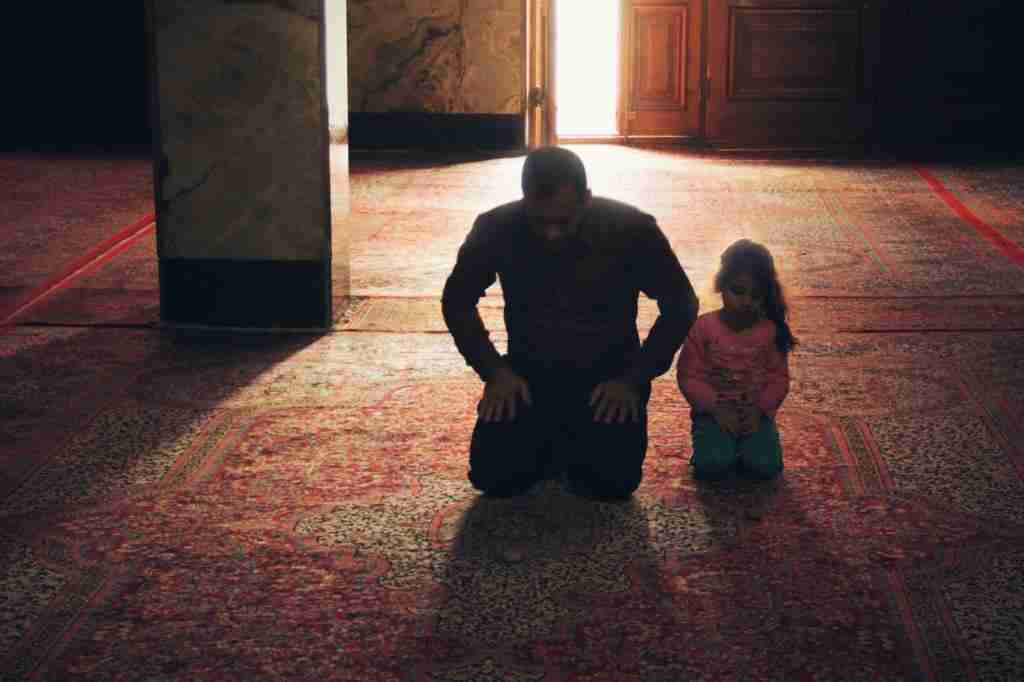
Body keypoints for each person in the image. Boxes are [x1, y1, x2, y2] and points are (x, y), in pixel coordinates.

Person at [442, 146, 699, 500]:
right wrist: (495, 371)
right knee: (495, 478)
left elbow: (681, 304)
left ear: (586, 200)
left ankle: (564, 444)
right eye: (540, 221)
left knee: (611, 484)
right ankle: (554, 442)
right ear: (525, 200)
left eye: (563, 222)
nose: (551, 233)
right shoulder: (496, 227)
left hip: (607, 380)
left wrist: (634, 377)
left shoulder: (631, 228)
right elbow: (457, 301)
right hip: (529, 377)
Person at [676, 239, 796, 482]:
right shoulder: (703, 328)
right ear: (721, 285)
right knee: (712, 466)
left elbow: (778, 378)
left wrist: (760, 411)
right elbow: (689, 375)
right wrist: (714, 408)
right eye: (738, 291)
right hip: (713, 413)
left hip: (755, 414)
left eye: (756, 294)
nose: (746, 301)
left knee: (765, 468)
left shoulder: (770, 331)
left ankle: (747, 448)